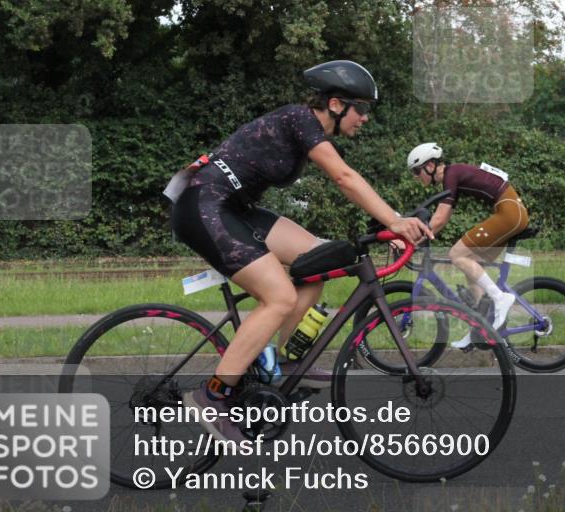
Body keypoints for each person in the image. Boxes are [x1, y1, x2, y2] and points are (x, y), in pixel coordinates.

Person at [171, 60, 432, 442]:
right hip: (204, 203)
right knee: (279, 297)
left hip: (233, 207)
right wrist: (394, 219)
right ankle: (213, 395)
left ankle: (290, 360)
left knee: (318, 257)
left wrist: (386, 226)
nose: (366, 119)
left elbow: (348, 182)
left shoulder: (308, 131)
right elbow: (344, 177)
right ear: (337, 104)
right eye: (363, 109)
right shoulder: (300, 118)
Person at [405, 143, 529, 349]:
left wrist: (410, 239)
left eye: (417, 171)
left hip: (510, 213)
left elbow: (440, 218)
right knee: (471, 263)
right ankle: (480, 327)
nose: (416, 176)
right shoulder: (452, 176)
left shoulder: (450, 175)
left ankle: (501, 299)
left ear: (430, 165)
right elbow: (442, 218)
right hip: (509, 211)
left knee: (457, 254)